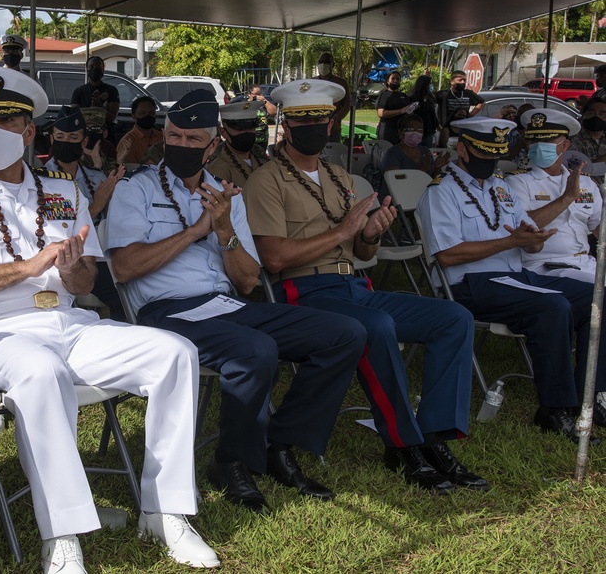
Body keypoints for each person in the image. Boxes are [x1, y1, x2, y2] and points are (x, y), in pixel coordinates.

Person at [0, 68, 220, 573]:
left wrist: (74, 265)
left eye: (6, 122)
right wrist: (28, 266)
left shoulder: (63, 190)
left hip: (68, 321)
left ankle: (165, 511)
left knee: (175, 354)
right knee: (42, 373)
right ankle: (61, 535)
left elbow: (84, 285)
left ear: (29, 130)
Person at [106, 89, 365, 511]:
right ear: (164, 138)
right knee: (255, 350)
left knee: (344, 333)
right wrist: (195, 231)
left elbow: (246, 282)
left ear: (212, 146)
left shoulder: (228, 197)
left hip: (227, 304)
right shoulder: (135, 190)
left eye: (193, 140)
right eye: (175, 137)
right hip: (164, 311)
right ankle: (231, 461)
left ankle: (279, 444)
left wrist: (224, 230)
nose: (182, 146)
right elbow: (124, 268)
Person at [244, 80, 485, 494]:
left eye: (321, 119)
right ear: (285, 125)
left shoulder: (341, 176)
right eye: (303, 120)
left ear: (332, 122)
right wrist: (344, 229)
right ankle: (403, 445)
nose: (313, 127)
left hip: (354, 286)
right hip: (303, 293)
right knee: (376, 327)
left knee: (453, 318)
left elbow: (363, 252)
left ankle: (434, 435)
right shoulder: (266, 180)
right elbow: (275, 259)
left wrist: (371, 232)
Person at [419, 115, 606, 439]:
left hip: (513, 275)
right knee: (553, 306)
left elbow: (527, 237)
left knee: (597, 297)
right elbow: (448, 255)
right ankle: (554, 408)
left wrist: (534, 239)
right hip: (469, 284)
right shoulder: (441, 191)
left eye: (495, 154)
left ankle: (592, 395)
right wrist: (511, 242)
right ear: (463, 150)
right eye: (484, 153)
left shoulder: (498, 187)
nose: (491, 160)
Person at [44, 106, 127, 321]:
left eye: (73, 137)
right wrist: (95, 207)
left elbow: (113, 218)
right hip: (66, 262)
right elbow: (59, 230)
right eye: (60, 136)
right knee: (119, 297)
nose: (66, 141)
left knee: (130, 293)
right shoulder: (40, 181)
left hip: (101, 258)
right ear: (52, 140)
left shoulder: (94, 178)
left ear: (83, 143)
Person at [505, 108, 599, 283]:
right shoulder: (517, 182)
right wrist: (567, 198)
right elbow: (523, 226)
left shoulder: (584, 182)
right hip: (543, 268)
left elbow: (599, 228)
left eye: (547, 140)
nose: (539, 145)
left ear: (565, 146)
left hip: (586, 263)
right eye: (534, 140)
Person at [205, 100, 269, 186]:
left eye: (250, 128)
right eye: (239, 129)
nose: (246, 133)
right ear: (223, 132)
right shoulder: (218, 168)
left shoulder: (259, 155)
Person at [70, 56, 120, 142]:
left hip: (105, 137)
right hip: (84, 136)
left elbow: (111, 117)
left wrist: (99, 105)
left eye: (98, 67)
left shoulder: (112, 90)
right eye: (91, 67)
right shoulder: (79, 91)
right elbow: (75, 117)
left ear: (103, 69)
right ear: (87, 69)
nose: (94, 69)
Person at [380, 115, 448, 177]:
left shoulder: (425, 151)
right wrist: (422, 169)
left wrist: (438, 168)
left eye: (419, 130)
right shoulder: (393, 153)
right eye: (410, 129)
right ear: (400, 132)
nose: (415, 133)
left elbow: (435, 179)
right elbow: (395, 181)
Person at [315, 53, 352, 142]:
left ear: (332, 65)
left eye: (327, 62)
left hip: (333, 126)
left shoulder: (340, 83)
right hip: (315, 125)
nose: (323, 64)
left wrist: (337, 117)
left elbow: (347, 104)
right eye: (321, 61)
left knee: (332, 151)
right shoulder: (312, 82)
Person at [115, 96, 161, 165]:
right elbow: (129, 170)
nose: (147, 116)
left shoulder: (163, 137)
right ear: (133, 116)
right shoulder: (127, 142)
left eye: (151, 113)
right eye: (142, 113)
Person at [375, 71, 413, 144]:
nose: (395, 81)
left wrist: (411, 108)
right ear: (387, 81)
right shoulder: (385, 95)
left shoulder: (403, 95)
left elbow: (407, 111)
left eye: (397, 79)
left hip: (401, 129)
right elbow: (381, 113)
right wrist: (400, 111)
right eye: (393, 79)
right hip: (388, 129)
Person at [407, 75, 441, 146]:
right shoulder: (412, 98)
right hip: (416, 131)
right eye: (430, 84)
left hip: (429, 132)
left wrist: (438, 127)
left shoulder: (430, 98)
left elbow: (433, 115)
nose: (431, 86)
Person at [573, 97, 606, 164]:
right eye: (591, 113)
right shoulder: (575, 140)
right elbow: (576, 169)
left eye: (601, 114)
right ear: (584, 115)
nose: (596, 117)